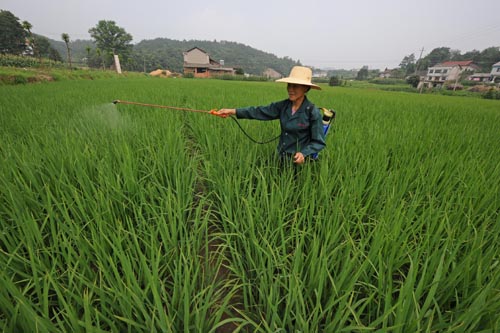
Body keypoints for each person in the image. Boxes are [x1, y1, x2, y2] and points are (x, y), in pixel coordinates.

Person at [214, 66, 326, 165]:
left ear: (306, 88)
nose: (290, 89)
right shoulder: (283, 106)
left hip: (299, 163)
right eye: (289, 85)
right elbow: (259, 111)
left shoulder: (312, 112)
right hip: (281, 158)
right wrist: (233, 111)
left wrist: (303, 154)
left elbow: (318, 142)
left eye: (295, 86)